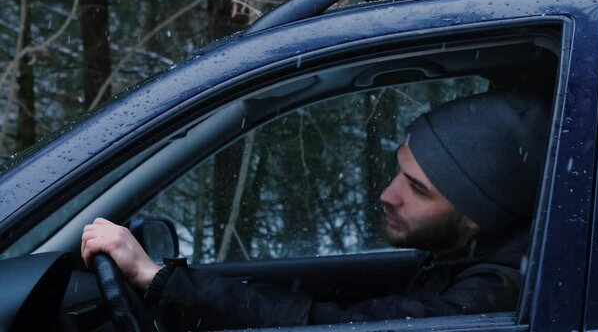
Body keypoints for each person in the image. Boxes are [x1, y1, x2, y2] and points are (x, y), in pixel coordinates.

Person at [81, 91, 549, 331]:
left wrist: (159, 279)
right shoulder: (465, 252)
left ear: (476, 215)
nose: (387, 195)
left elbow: (332, 328)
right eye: (397, 171)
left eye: (417, 190)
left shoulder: (492, 297)